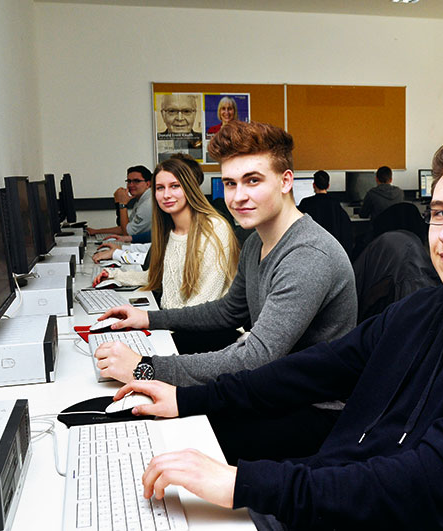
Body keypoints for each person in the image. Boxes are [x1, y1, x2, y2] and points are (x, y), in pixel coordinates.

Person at [113, 140, 443, 530]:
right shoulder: (430, 308)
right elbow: (312, 370)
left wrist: (244, 484)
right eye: (440, 213)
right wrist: (188, 398)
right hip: (334, 496)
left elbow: (424, 486)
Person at [95, 121, 357, 462]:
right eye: (230, 183)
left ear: (286, 181)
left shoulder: (308, 255)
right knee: (151, 421)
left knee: (170, 442)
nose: (238, 196)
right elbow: (227, 312)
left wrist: (146, 367)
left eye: (253, 180)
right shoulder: (256, 243)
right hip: (272, 390)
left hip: (313, 411)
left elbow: (256, 357)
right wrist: (146, 317)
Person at [93, 157, 238, 314]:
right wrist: (115, 276)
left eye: (175, 186)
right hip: (174, 324)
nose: (166, 195)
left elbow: (205, 301)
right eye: (160, 188)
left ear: (189, 189)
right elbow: (159, 278)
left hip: (204, 331)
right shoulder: (169, 230)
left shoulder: (214, 228)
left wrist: (154, 321)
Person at [86, 166, 152, 243]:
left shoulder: (148, 204)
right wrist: (96, 231)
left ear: (147, 184)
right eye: (129, 181)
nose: (131, 185)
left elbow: (127, 233)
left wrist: (122, 204)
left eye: (136, 181)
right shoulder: (141, 200)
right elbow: (124, 227)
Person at [297, 170, 353, 254]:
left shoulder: (306, 203)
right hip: (331, 249)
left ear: (313, 185)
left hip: (310, 249)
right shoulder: (335, 203)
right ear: (328, 186)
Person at [157, 94, 202, 162]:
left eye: (186, 111)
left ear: (194, 114)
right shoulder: (157, 139)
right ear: (163, 114)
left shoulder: (202, 141)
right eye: (172, 111)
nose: (180, 118)